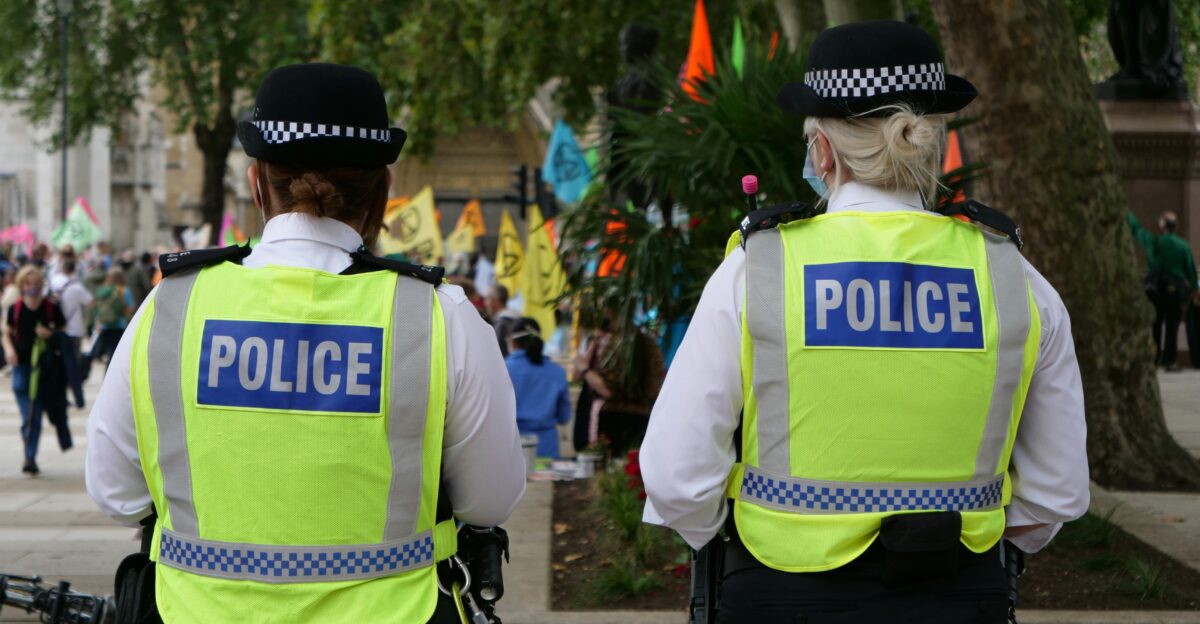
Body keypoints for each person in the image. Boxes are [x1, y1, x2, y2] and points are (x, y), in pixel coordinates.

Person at [639, 21, 1089, 623]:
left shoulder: (759, 267)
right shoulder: (1014, 276)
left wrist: (735, 540)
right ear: (931, 143)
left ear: (822, 151)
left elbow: (677, 477)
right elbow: (1057, 491)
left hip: (780, 597)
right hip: (959, 596)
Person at [85, 63, 525, 624]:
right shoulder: (441, 316)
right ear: (384, 191)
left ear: (256, 184)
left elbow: (115, 493)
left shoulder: (170, 305)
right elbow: (490, 499)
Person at [3, 266, 70, 475]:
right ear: (22, 285)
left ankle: (30, 456)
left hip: (45, 371)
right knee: (29, 416)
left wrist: (50, 333)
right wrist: (9, 350)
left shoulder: (51, 308)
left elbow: (63, 332)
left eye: (37, 284)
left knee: (35, 416)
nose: (33, 288)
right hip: (22, 369)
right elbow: (6, 333)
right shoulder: (15, 309)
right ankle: (29, 455)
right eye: (29, 284)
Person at [574, 313, 664, 455]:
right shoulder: (648, 344)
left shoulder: (620, 346)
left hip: (617, 417)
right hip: (643, 413)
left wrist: (585, 368)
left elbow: (608, 389)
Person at [1129, 210, 1198, 370]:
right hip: (1176, 290)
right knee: (1172, 325)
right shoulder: (1183, 245)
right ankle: (1170, 360)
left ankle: (1153, 359)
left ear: (1162, 226)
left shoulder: (1155, 242)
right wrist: (1195, 288)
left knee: (1156, 324)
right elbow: (1190, 269)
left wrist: (1128, 215)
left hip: (1157, 289)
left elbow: (1138, 231)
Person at [505, 317, 571, 459]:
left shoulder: (502, 369)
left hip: (511, 448)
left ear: (513, 342)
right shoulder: (557, 372)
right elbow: (564, 417)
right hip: (548, 448)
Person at [53, 258, 92, 403]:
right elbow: (90, 302)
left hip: (57, 330)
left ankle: (61, 396)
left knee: (59, 365)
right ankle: (77, 397)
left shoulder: (54, 281)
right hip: (74, 329)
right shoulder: (76, 287)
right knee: (73, 366)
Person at [89, 268, 133, 367]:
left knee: (109, 351)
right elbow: (130, 308)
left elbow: (96, 307)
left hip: (104, 325)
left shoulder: (103, 290)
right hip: (119, 325)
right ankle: (112, 373)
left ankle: (106, 372)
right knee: (116, 353)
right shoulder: (124, 290)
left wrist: (97, 323)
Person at [487, 284, 520, 356]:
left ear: (497, 301)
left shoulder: (501, 324)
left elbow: (496, 353)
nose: (486, 303)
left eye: (488, 299)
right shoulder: (517, 317)